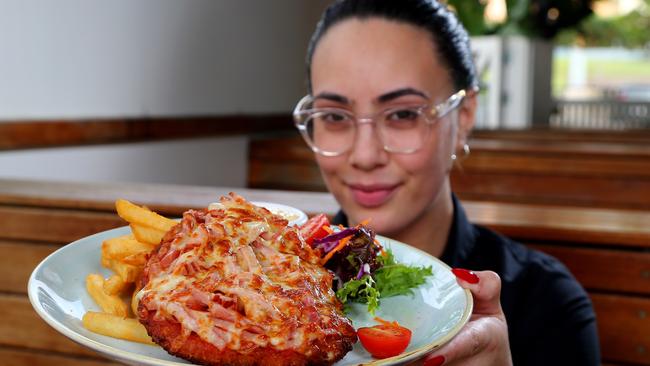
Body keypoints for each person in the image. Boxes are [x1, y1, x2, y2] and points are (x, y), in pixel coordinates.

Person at [292, 0, 600, 365]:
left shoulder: (546, 302)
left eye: (403, 114)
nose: (365, 155)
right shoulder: (265, 296)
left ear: (464, 116)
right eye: (334, 116)